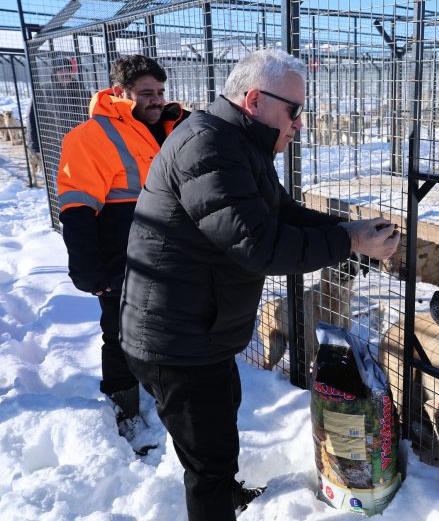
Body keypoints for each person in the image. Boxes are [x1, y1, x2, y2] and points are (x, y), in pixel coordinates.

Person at [119, 49, 400, 520]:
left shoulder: (236, 142)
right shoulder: (207, 147)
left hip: (197, 328)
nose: (300, 123)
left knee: (221, 426)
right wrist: (348, 240)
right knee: (207, 464)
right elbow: (258, 244)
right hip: (174, 339)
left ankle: (227, 497)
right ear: (254, 100)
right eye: (294, 111)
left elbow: (281, 213)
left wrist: (349, 231)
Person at [56, 55, 190, 430]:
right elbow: (77, 206)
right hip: (121, 259)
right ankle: (124, 407)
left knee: (170, 329)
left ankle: (167, 395)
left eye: (161, 92)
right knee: (118, 335)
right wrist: (88, 268)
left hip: (169, 255)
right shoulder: (89, 138)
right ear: (118, 93)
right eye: (146, 93)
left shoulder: (167, 127)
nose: (157, 99)